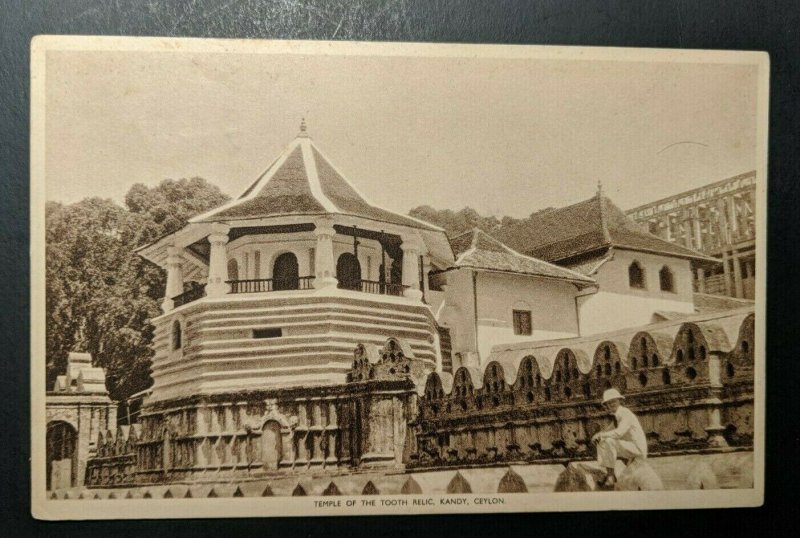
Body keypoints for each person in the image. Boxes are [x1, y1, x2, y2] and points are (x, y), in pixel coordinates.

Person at [591, 388, 648, 488]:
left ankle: (611, 476)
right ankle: (610, 474)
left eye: (614, 401)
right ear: (606, 405)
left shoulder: (625, 414)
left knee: (608, 440)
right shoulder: (617, 416)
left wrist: (601, 435)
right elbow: (608, 430)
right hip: (630, 447)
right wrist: (598, 435)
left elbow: (619, 433)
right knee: (602, 441)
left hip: (637, 449)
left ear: (619, 401)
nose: (612, 404)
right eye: (609, 403)